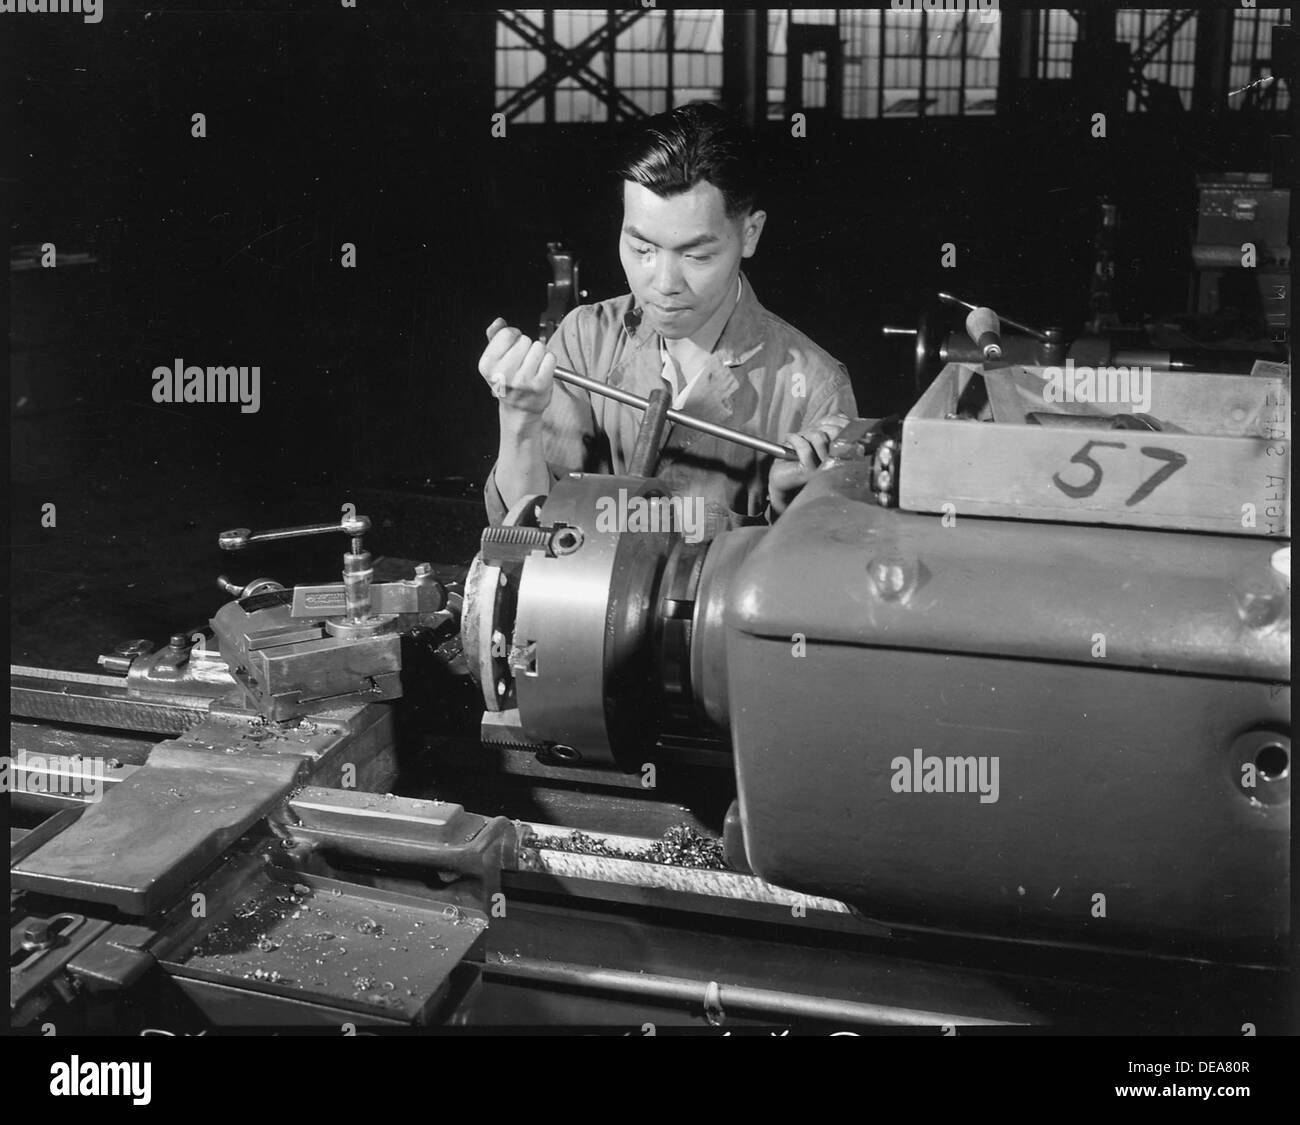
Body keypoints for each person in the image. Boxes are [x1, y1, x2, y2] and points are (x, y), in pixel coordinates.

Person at [478, 101, 858, 539]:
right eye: (642, 249)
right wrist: (519, 420)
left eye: (696, 255)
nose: (663, 283)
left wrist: (789, 513)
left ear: (749, 234)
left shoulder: (813, 389)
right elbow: (529, 536)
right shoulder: (586, 340)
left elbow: (824, 578)